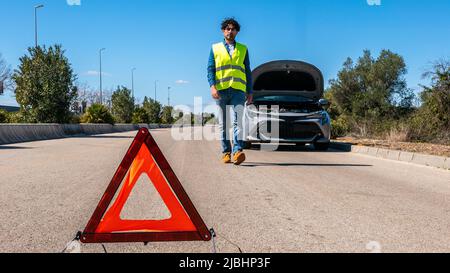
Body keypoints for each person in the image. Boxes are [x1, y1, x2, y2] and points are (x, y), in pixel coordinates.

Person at [207, 18, 253, 165]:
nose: (230, 31)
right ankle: (226, 152)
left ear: (237, 32)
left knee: (238, 122)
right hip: (221, 91)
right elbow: (210, 69)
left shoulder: (243, 49)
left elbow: (247, 71)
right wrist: (212, 86)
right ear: (223, 31)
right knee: (224, 123)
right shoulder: (215, 48)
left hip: (238, 90)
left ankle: (237, 151)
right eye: (227, 28)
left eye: (233, 29)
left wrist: (249, 91)